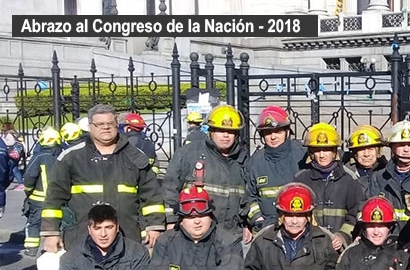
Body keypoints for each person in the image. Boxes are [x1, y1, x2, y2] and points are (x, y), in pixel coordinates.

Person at [41, 104, 165, 253]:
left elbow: (152, 195)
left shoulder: (135, 156)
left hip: (127, 237)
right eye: (100, 124)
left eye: (110, 123)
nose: (105, 127)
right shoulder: (71, 158)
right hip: (81, 238)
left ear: (117, 125)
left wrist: (155, 226)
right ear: (90, 127)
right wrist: (51, 233)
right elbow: (54, 197)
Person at [163, 104, 248, 243]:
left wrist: (247, 225)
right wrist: (171, 221)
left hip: (230, 237)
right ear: (211, 131)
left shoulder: (243, 161)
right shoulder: (188, 154)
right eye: (220, 130)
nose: (226, 135)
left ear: (237, 134)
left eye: (230, 131)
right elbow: (169, 189)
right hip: (192, 236)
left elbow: (247, 199)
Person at [294, 122, 364, 251]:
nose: (322, 155)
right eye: (317, 150)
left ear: (334, 151)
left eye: (326, 150)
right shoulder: (301, 180)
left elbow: (355, 214)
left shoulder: (349, 180)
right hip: (308, 247)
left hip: (339, 250)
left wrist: (342, 236)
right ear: (311, 152)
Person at [244, 105, 306, 236]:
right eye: (268, 132)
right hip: (266, 230)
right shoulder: (254, 163)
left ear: (287, 131)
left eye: (278, 131)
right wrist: (258, 220)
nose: (273, 137)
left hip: (300, 229)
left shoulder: (303, 156)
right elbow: (248, 197)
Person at [22, 127, 62, 256]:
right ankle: (58, 247)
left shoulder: (39, 157)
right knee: (59, 223)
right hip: (58, 198)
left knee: (34, 223)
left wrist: (28, 192)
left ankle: (31, 249)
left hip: (39, 199)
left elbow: (29, 177)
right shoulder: (64, 155)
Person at [343, 124, 388, 193]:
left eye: (370, 149)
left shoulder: (387, 174)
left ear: (378, 151)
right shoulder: (345, 173)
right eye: (361, 150)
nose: (366, 154)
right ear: (355, 153)